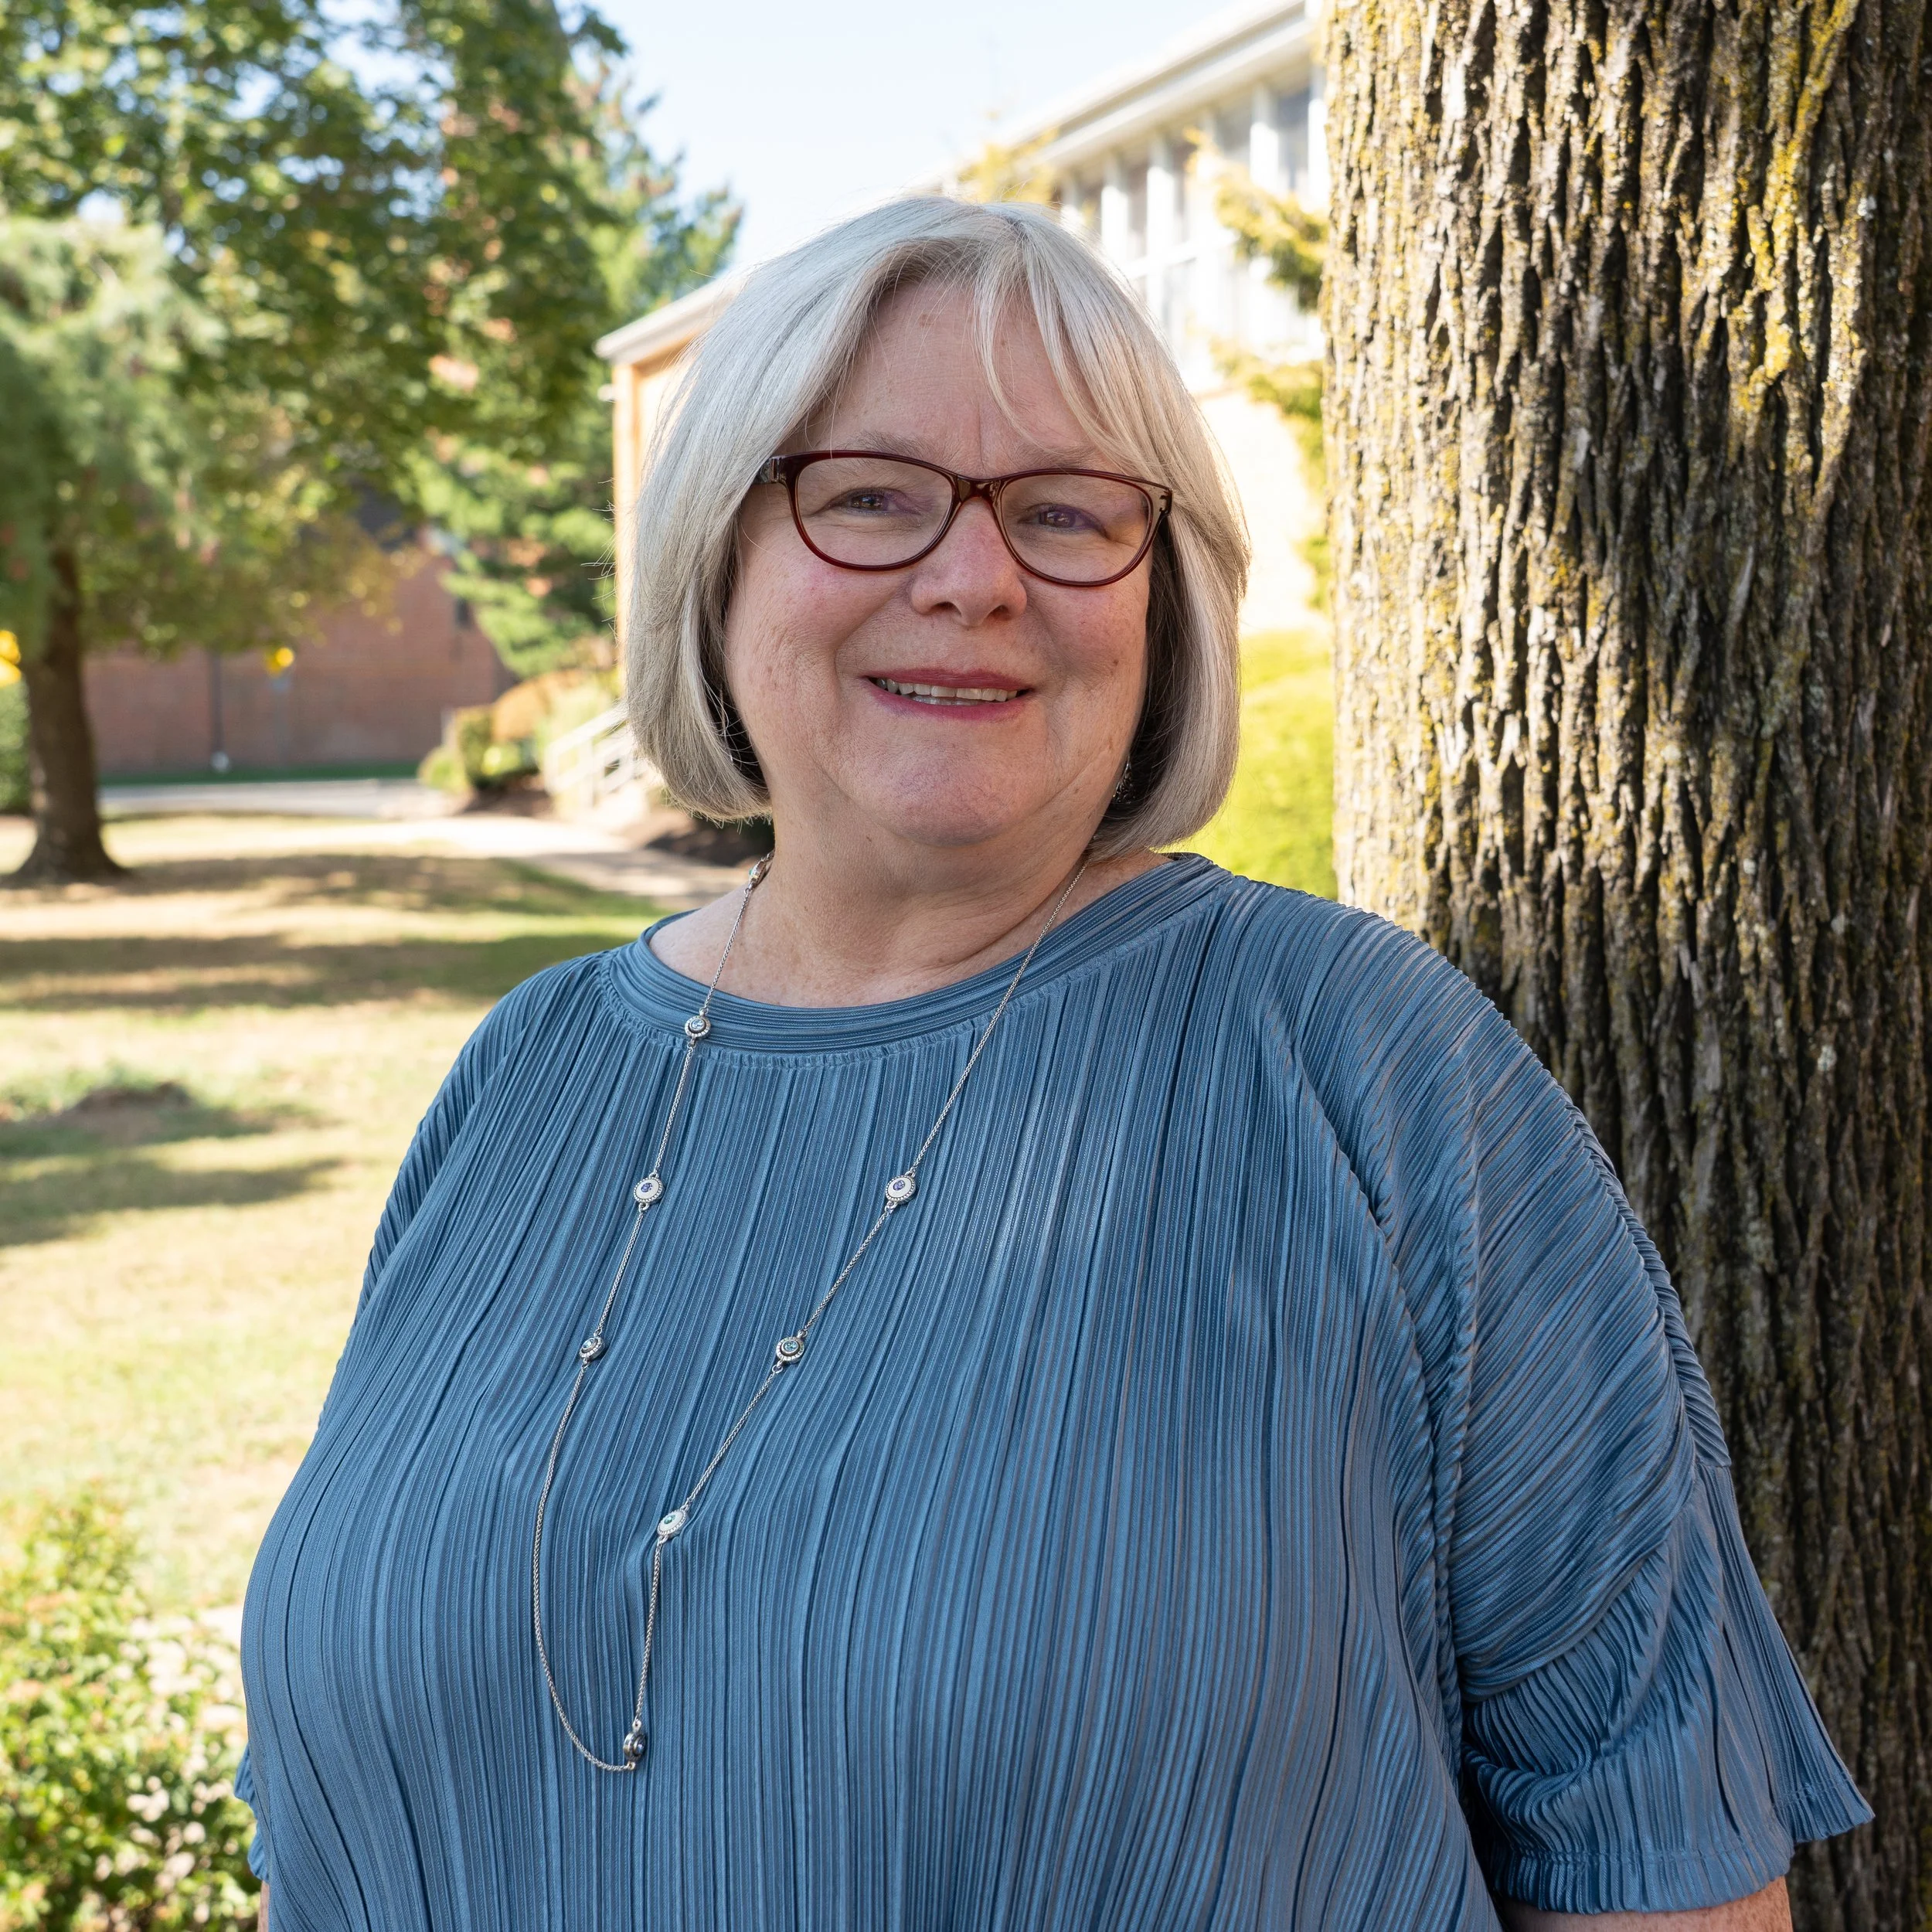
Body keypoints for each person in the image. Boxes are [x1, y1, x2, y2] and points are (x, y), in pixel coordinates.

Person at [236, 196, 1867, 1930]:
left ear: (1158, 603)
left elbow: (1650, 1854)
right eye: (867, 493)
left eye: (1067, 512)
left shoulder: (1369, 1071)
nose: (971, 575)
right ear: (714, 561)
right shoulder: (522, 1078)